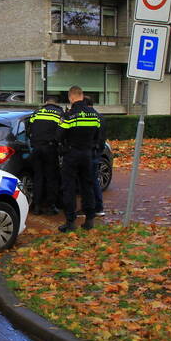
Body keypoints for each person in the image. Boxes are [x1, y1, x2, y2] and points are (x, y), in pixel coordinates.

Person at [57, 86, 102, 232]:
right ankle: (89, 220)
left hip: (71, 155)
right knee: (87, 186)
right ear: (82, 96)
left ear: (71, 97)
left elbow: (59, 136)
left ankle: (70, 222)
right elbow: (98, 136)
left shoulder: (69, 115)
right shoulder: (94, 115)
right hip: (87, 154)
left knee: (69, 187)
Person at [26, 95, 63, 215]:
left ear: (46, 102)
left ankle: (37, 206)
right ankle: (51, 206)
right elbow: (61, 132)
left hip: (36, 148)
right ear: (56, 103)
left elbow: (28, 130)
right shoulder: (59, 113)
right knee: (51, 177)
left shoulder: (36, 112)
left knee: (38, 177)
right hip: (50, 148)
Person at [83, 96, 107, 217]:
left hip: (89, 152)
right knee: (94, 180)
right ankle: (98, 207)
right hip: (97, 151)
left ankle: (93, 208)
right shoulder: (100, 117)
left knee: (87, 181)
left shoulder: (88, 117)